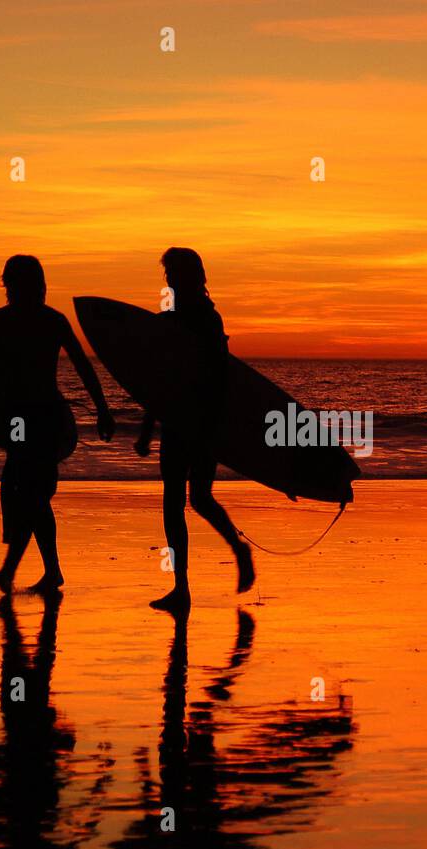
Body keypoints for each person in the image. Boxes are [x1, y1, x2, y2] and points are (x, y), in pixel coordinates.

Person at [0, 255, 114, 593]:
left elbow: (83, 366)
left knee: (31, 493)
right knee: (23, 491)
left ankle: (38, 571)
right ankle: (20, 571)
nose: (14, 288)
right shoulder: (13, 320)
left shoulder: (36, 321)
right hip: (24, 419)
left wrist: (102, 409)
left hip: (41, 419)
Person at [137, 247, 254, 613]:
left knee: (182, 501)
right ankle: (190, 581)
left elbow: (218, 373)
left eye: (174, 272)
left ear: (190, 276)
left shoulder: (202, 317)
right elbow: (156, 380)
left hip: (194, 421)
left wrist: (218, 424)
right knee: (194, 499)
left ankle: (185, 586)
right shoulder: (181, 318)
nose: (169, 279)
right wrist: (146, 428)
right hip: (188, 420)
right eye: (167, 273)